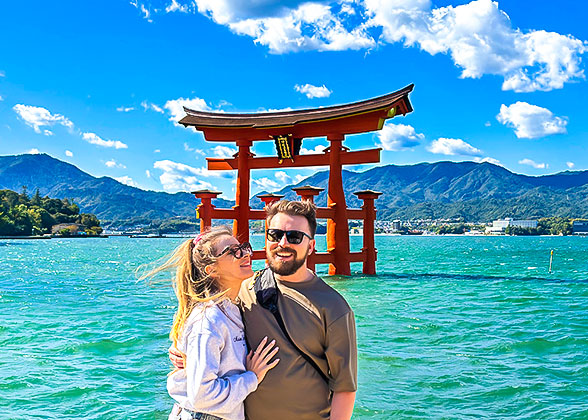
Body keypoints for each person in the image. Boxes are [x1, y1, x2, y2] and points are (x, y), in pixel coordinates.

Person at [171, 201, 358, 420]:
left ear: (311, 246)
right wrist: (183, 351)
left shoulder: (334, 307)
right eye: (275, 234)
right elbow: (205, 320)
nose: (283, 243)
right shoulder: (246, 287)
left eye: (295, 237)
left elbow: (344, 386)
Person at [145, 226, 280, 420]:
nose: (244, 254)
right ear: (212, 270)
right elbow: (202, 396)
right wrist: (252, 377)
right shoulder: (208, 320)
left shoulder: (232, 307)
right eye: (232, 252)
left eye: (243, 247)